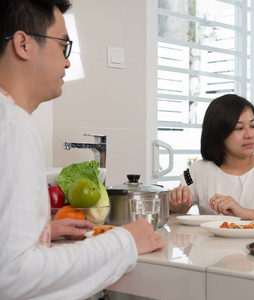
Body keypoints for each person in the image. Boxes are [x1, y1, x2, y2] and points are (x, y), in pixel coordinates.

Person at [0, 1, 166, 299]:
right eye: (63, 46)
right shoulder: (12, 126)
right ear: (23, 44)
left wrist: (44, 229)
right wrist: (125, 242)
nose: (67, 62)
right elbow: (14, 276)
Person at [169, 94, 254, 221]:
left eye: (253, 126)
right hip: (213, 243)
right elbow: (176, 213)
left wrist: (244, 212)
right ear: (218, 133)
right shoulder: (200, 170)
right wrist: (175, 200)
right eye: (239, 128)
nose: (250, 134)